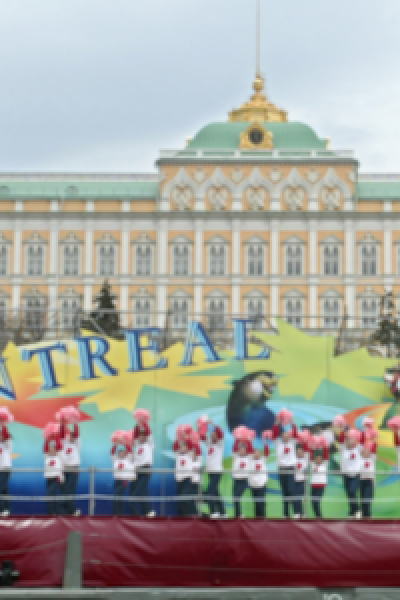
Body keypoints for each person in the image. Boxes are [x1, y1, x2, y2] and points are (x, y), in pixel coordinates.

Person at [267, 409, 298, 519]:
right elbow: (274, 432)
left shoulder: (293, 442)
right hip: (281, 469)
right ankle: (286, 514)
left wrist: (291, 421)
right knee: (284, 492)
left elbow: (295, 431)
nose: (285, 436)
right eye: (283, 434)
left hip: (290, 468)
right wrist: (277, 421)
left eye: (287, 435)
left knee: (291, 490)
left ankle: (296, 513)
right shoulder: (278, 442)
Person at [199, 418, 225, 518]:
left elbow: (220, 432)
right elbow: (201, 436)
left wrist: (213, 423)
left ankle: (214, 512)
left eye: (214, 434)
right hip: (210, 471)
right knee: (216, 492)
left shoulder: (220, 444)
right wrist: (202, 425)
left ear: (217, 437)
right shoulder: (209, 443)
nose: (212, 435)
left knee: (210, 491)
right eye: (212, 434)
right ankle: (223, 512)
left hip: (217, 471)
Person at [131, 420, 155, 517]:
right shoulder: (137, 444)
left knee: (138, 492)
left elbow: (149, 434)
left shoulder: (150, 445)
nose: (141, 437)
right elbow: (135, 434)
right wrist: (137, 422)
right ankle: (148, 512)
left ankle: (143, 513)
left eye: (143, 436)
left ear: (146, 437)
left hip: (145, 469)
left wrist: (144, 422)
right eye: (140, 436)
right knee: (141, 492)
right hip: (136, 470)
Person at [338, 428, 362, 518]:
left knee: (352, 491)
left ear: (355, 440)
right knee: (349, 493)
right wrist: (343, 430)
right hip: (346, 475)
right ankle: (352, 512)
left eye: (352, 439)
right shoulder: (343, 449)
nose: (350, 441)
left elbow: (362, 440)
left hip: (356, 475)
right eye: (348, 439)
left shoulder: (358, 448)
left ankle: (357, 510)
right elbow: (341, 440)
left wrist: (363, 430)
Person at [60, 422, 81, 516]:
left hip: (73, 469)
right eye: (70, 435)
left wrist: (75, 423)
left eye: (73, 436)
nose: (72, 437)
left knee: (70, 490)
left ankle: (73, 511)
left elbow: (77, 434)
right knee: (64, 491)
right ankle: (65, 512)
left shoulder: (77, 445)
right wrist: (62, 422)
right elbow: (61, 434)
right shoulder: (64, 443)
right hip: (64, 470)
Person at [43, 426, 63, 516]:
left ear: (56, 450)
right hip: (49, 479)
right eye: (49, 449)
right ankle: (54, 513)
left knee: (49, 494)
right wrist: (47, 438)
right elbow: (45, 448)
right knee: (52, 496)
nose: (50, 450)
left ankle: (53, 513)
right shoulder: (47, 456)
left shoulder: (59, 456)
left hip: (56, 479)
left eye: (53, 449)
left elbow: (59, 445)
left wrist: (56, 435)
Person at [111, 437, 135, 516]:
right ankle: (119, 514)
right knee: (118, 498)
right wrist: (115, 444)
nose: (121, 454)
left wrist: (125, 443)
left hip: (123, 481)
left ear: (125, 454)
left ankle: (117, 514)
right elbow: (112, 452)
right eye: (120, 453)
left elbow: (130, 451)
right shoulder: (116, 460)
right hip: (116, 481)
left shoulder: (128, 460)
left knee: (116, 497)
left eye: (123, 453)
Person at [232, 436, 253, 518]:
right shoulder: (236, 457)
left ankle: (239, 514)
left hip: (244, 480)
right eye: (240, 449)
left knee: (237, 495)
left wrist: (248, 439)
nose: (241, 451)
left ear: (246, 451)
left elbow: (251, 449)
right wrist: (237, 438)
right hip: (236, 480)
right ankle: (237, 514)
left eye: (243, 449)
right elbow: (234, 448)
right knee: (235, 497)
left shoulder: (249, 458)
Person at [174, 436, 194, 517]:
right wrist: (179, 437)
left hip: (187, 480)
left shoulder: (190, 454)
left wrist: (186, 436)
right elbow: (175, 446)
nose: (182, 448)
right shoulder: (178, 455)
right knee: (180, 499)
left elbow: (190, 444)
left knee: (184, 497)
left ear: (187, 448)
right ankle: (182, 516)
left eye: (184, 447)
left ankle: (189, 515)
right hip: (179, 480)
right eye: (181, 447)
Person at [248, 444, 268, 518]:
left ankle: (263, 518)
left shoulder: (263, 459)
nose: (256, 454)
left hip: (262, 484)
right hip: (253, 485)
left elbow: (267, 452)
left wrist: (265, 442)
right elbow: (249, 450)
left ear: (260, 453)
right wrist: (249, 440)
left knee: (261, 503)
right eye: (255, 452)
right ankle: (257, 519)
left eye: (258, 452)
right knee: (256, 503)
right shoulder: (250, 460)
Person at [310, 445, 329, 518]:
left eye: (320, 458)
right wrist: (312, 447)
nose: (318, 459)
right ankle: (318, 517)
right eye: (317, 458)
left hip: (321, 486)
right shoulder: (313, 465)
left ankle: (319, 517)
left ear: (322, 459)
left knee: (316, 503)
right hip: (313, 486)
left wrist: (325, 445)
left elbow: (326, 456)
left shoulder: (324, 465)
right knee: (313, 503)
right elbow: (310, 456)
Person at [360, 440, 377, 518]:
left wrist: (373, 438)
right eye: (365, 451)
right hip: (361, 481)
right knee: (363, 499)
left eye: (368, 451)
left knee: (368, 499)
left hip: (369, 481)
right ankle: (364, 515)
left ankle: (367, 516)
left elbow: (374, 447)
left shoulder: (372, 459)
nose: (366, 452)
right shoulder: (360, 459)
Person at [293, 442, 310, 518]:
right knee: (296, 497)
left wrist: (305, 440)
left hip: (302, 481)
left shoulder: (305, 459)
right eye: (298, 452)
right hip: (294, 481)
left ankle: (302, 513)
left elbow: (307, 451)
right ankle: (297, 512)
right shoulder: (293, 459)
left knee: (300, 497)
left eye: (301, 451)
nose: (299, 453)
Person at [0, 424, 12, 517]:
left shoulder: (8, 444)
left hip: (5, 469)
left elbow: (6, 434)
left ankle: (4, 509)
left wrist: (3, 423)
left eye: (2, 435)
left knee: (2, 487)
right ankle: (6, 509)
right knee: (4, 489)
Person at [190, 433, 202, 517]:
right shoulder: (189, 461)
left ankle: (197, 515)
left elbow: (198, 450)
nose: (193, 455)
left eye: (194, 453)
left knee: (196, 501)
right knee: (191, 501)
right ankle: (193, 514)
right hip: (190, 482)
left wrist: (196, 443)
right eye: (192, 453)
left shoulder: (199, 461)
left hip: (197, 483)